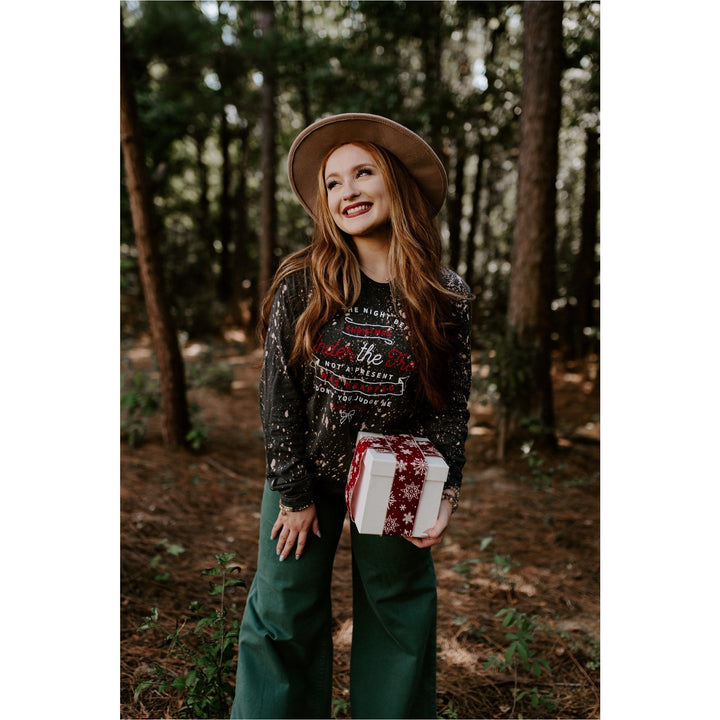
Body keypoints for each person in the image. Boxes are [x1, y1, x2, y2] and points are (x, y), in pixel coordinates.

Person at [231, 113, 472, 720]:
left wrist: (445, 491)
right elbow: (276, 391)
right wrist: (291, 490)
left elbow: (450, 404)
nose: (348, 191)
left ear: (396, 185)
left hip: (395, 477)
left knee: (399, 615)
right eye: (333, 183)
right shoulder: (302, 282)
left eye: (363, 172)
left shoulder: (444, 295)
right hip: (304, 473)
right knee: (281, 611)